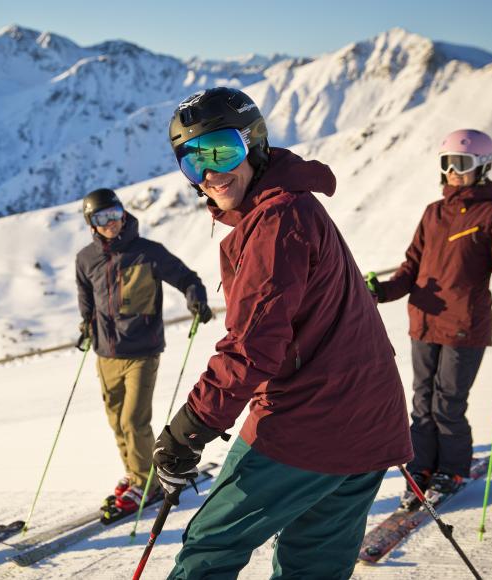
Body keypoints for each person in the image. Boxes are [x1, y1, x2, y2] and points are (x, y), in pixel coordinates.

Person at [152, 87, 412, 579]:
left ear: (254, 143)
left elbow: (252, 346)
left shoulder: (275, 220)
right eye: (191, 161)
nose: (209, 173)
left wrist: (190, 428)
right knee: (312, 565)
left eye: (222, 150)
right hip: (369, 423)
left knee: (212, 545)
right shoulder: (292, 207)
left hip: (310, 423)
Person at [366, 129, 492, 507]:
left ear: (484, 166)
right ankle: (423, 467)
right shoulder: (433, 213)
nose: (454, 172)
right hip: (424, 321)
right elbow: (410, 269)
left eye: (463, 164)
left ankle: (453, 469)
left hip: (465, 326)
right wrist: (381, 292)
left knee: (448, 404)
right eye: (448, 164)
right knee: (422, 401)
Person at [75, 187, 212, 516]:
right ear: (91, 224)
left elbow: (186, 277)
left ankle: (145, 484)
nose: (111, 222)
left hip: (142, 351)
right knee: (116, 422)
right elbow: (87, 299)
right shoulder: (86, 258)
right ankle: (135, 472)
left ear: (124, 214)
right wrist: (86, 325)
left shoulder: (148, 252)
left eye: (115, 214)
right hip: (106, 354)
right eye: (102, 218)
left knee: (134, 420)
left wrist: (196, 298)